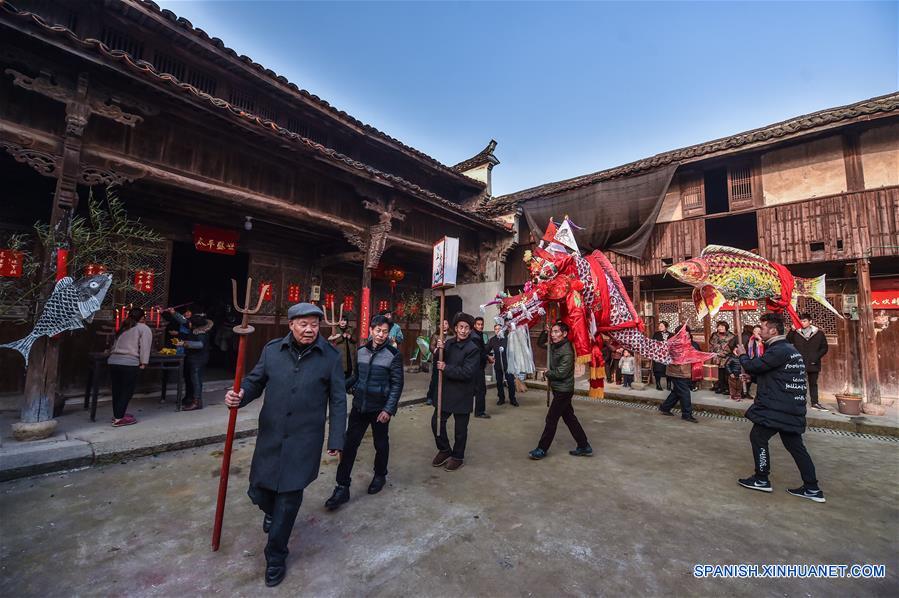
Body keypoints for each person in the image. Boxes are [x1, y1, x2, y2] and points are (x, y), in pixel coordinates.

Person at [224, 303, 346, 587]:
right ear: (291, 325)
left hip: (304, 441)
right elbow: (255, 382)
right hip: (272, 436)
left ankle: (275, 555)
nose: (309, 329)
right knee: (259, 490)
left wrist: (336, 438)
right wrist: (240, 396)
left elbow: (338, 400)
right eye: (303, 324)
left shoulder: (329, 356)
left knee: (289, 500)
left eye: (314, 325)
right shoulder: (272, 350)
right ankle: (270, 511)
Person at [735, 312, 825, 503]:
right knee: (795, 446)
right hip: (789, 405)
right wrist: (753, 379)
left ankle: (761, 478)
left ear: (773, 330)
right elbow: (777, 375)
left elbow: (756, 365)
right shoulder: (789, 349)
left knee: (758, 437)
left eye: (764, 327)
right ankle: (812, 487)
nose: (760, 331)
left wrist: (743, 356)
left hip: (778, 407)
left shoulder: (779, 350)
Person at [325, 315, 404, 511]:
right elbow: (356, 377)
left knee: (381, 443)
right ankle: (342, 487)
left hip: (379, 410)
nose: (380, 335)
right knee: (349, 446)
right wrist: (340, 387)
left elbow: (397, 385)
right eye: (377, 330)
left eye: (385, 332)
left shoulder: (393, 354)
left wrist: (388, 409)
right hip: (359, 407)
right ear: (370, 330)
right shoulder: (360, 351)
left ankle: (380, 475)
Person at [528, 322, 592, 459]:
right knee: (570, 418)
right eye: (552, 332)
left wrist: (548, 373)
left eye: (557, 332)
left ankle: (542, 449)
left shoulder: (567, 351)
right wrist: (545, 331)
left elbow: (561, 373)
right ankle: (584, 445)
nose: (553, 334)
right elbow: (540, 344)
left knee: (551, 419)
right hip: (558, 389)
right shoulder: (555, 346)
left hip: (564, 391)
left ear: (564, 334)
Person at [431, 312, 481, 471]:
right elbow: (438, 361)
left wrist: (446, 368)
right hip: (445, 391)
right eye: (461, 327)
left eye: (467, 328)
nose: (464, 330)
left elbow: (467, 372)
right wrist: (439, 350)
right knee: (437, 423)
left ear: (470, 330)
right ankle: (445, 449)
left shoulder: (473, 348)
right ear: (456, 328)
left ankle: (458, 456)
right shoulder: (449, 343)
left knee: (460, 429)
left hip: (463, 392)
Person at [107, 307, 152, 427]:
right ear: (143, 317)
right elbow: (145, 347)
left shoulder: (124, 328)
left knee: (117, 390)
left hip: (114, 361)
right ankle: (119, 419)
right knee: (127, 391)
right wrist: (144, 363)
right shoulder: (143, 328)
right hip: (129, 363)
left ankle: (118, 415)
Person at [787, 313, 829, 411]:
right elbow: (787, 342)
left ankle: (815, 402)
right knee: (797, 383)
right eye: (800, 321)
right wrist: (792, 330)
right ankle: (796, 401)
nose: (802, 323)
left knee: (813, 383)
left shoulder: (819, 333)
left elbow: (824, 347)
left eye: (804, 321)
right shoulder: (796, 332)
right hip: (799, 362)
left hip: (813, 362)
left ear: (810, 321)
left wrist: (816, 357)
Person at [659, 325, 699, 423]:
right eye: (682, 332)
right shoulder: (674, 343)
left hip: (686, 371)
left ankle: (665, 408)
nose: (685, 334)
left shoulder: (690, 342)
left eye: (687, 332)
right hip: (677, 372)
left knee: (677, 392)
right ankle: (687, 414)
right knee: (685, 393)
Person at [178, 314, 213, 411]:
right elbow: (183, 321)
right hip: (194, 358)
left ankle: (197, 402)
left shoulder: (201, 333)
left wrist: (185, 344)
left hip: (198, 359)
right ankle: (190, 398)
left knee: (196, 381)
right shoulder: (195, 330)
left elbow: (200, 344)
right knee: (191, 379)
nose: (188, 323)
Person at [488, 324, 518, 406]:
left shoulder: (507, 338)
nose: (497, 330)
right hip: (498, 365)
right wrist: (489, 356)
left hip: (508, 365)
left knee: (511, 382)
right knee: (499, 383)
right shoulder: (492, 340)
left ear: (502, 330)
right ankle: (501, 398)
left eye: (499, 329)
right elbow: (487, 350)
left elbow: (513, 349)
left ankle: (512, 399)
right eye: (496, 329)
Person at [425, 319, 450, 407]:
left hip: (448, 360)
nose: (445, 325)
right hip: (438, 359)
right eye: (442, 324)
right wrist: (436, 351)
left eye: (446, 323)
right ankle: (430, 397)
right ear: (439, 326)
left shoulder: (451, 335)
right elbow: (431, 346)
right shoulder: (436, 335)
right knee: (435, 378)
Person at [471, 316, 491, 419]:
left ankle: (471, 408)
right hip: (477, 367)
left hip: (477, 366)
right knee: (481, 390)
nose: (480, 326)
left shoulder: (478, 335)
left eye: (482, 324)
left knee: (475, 389)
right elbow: (479, 352)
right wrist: (488, 357)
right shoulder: (475, 337)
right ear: (474, 325)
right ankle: (479, 412)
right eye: (478, 324)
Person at [710, 321, 736, 395]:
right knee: (718, 373)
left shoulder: (731, 336)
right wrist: (713, 352)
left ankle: (727, 388)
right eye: (719, 326)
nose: (720, 328)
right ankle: (719, 387)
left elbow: (731, 347)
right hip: (716, 357)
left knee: (726, 373)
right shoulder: (714, 335)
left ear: (726, 327)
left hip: (726, 358)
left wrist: (722, 353)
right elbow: (711, 344)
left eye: (722, 326)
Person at [328, 315, 357, 379]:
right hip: (340, 352)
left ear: (347, 322)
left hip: (349, 352)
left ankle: (348, 385)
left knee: (350, 368)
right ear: (339, 321)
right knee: (341, 369)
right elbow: (333, 341)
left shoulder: (351, 329)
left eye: (344, 320)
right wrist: (342, 337)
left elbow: (355, 340)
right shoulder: (335, 329)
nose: (343, 322)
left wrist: (350, 337)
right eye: (341, 320)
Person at [744, 325, 765, 398]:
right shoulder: (750, 340)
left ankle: (760, 394)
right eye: (755, 331)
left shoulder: (764, 340)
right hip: (752, 360)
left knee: (760, 379)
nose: (756, 333)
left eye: (758, 331)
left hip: (761, 361)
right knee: (749, 377)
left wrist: (760, 341)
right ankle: (746, 392)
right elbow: (746, 350)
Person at [651, 321, 671, 390]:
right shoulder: (656, 334)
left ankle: (669, 385)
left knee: (668, 370)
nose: (660, 327)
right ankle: (658, 384)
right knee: (658, 370)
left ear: (666, 327)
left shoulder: (671, 334)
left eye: (662, 326)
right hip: (658, 354)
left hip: (667, 355)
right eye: (659, 326)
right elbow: (653, 344)